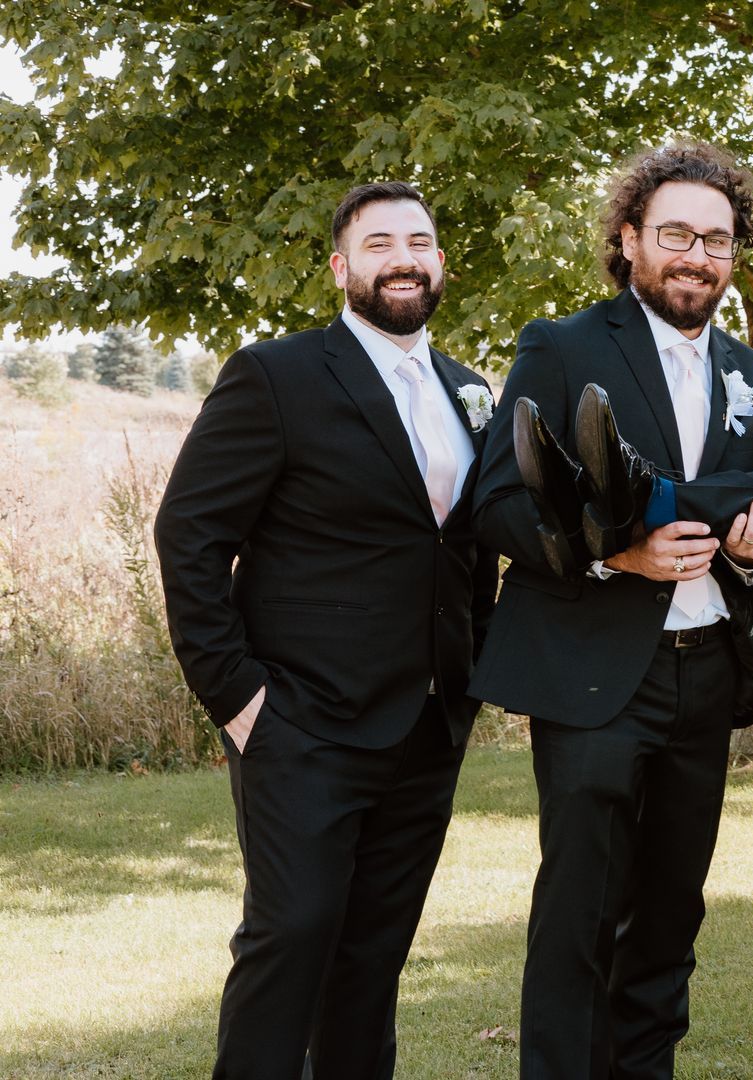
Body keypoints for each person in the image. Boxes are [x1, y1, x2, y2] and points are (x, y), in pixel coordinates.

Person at [464, 140, 753, 1079]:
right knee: (581, 914)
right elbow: (498, 503)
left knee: (670, 914)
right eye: (676, 234)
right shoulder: (562, 346)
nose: (698, 256)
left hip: (710, 670)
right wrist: (619, 553)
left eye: (718, 240)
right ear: (629, 239)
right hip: (592, 668)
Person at [153, 181, 497, 1078]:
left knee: (374, 954)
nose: (402, 259)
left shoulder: (471, 391)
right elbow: (191, 535)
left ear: (441, 263)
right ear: (343, 268)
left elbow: (470, 550)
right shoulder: (278, 375)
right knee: (293, 933)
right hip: (299, 720)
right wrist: (237, 697)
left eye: (418, 242)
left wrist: (471, 680)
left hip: (427, 724)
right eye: (378, 244)